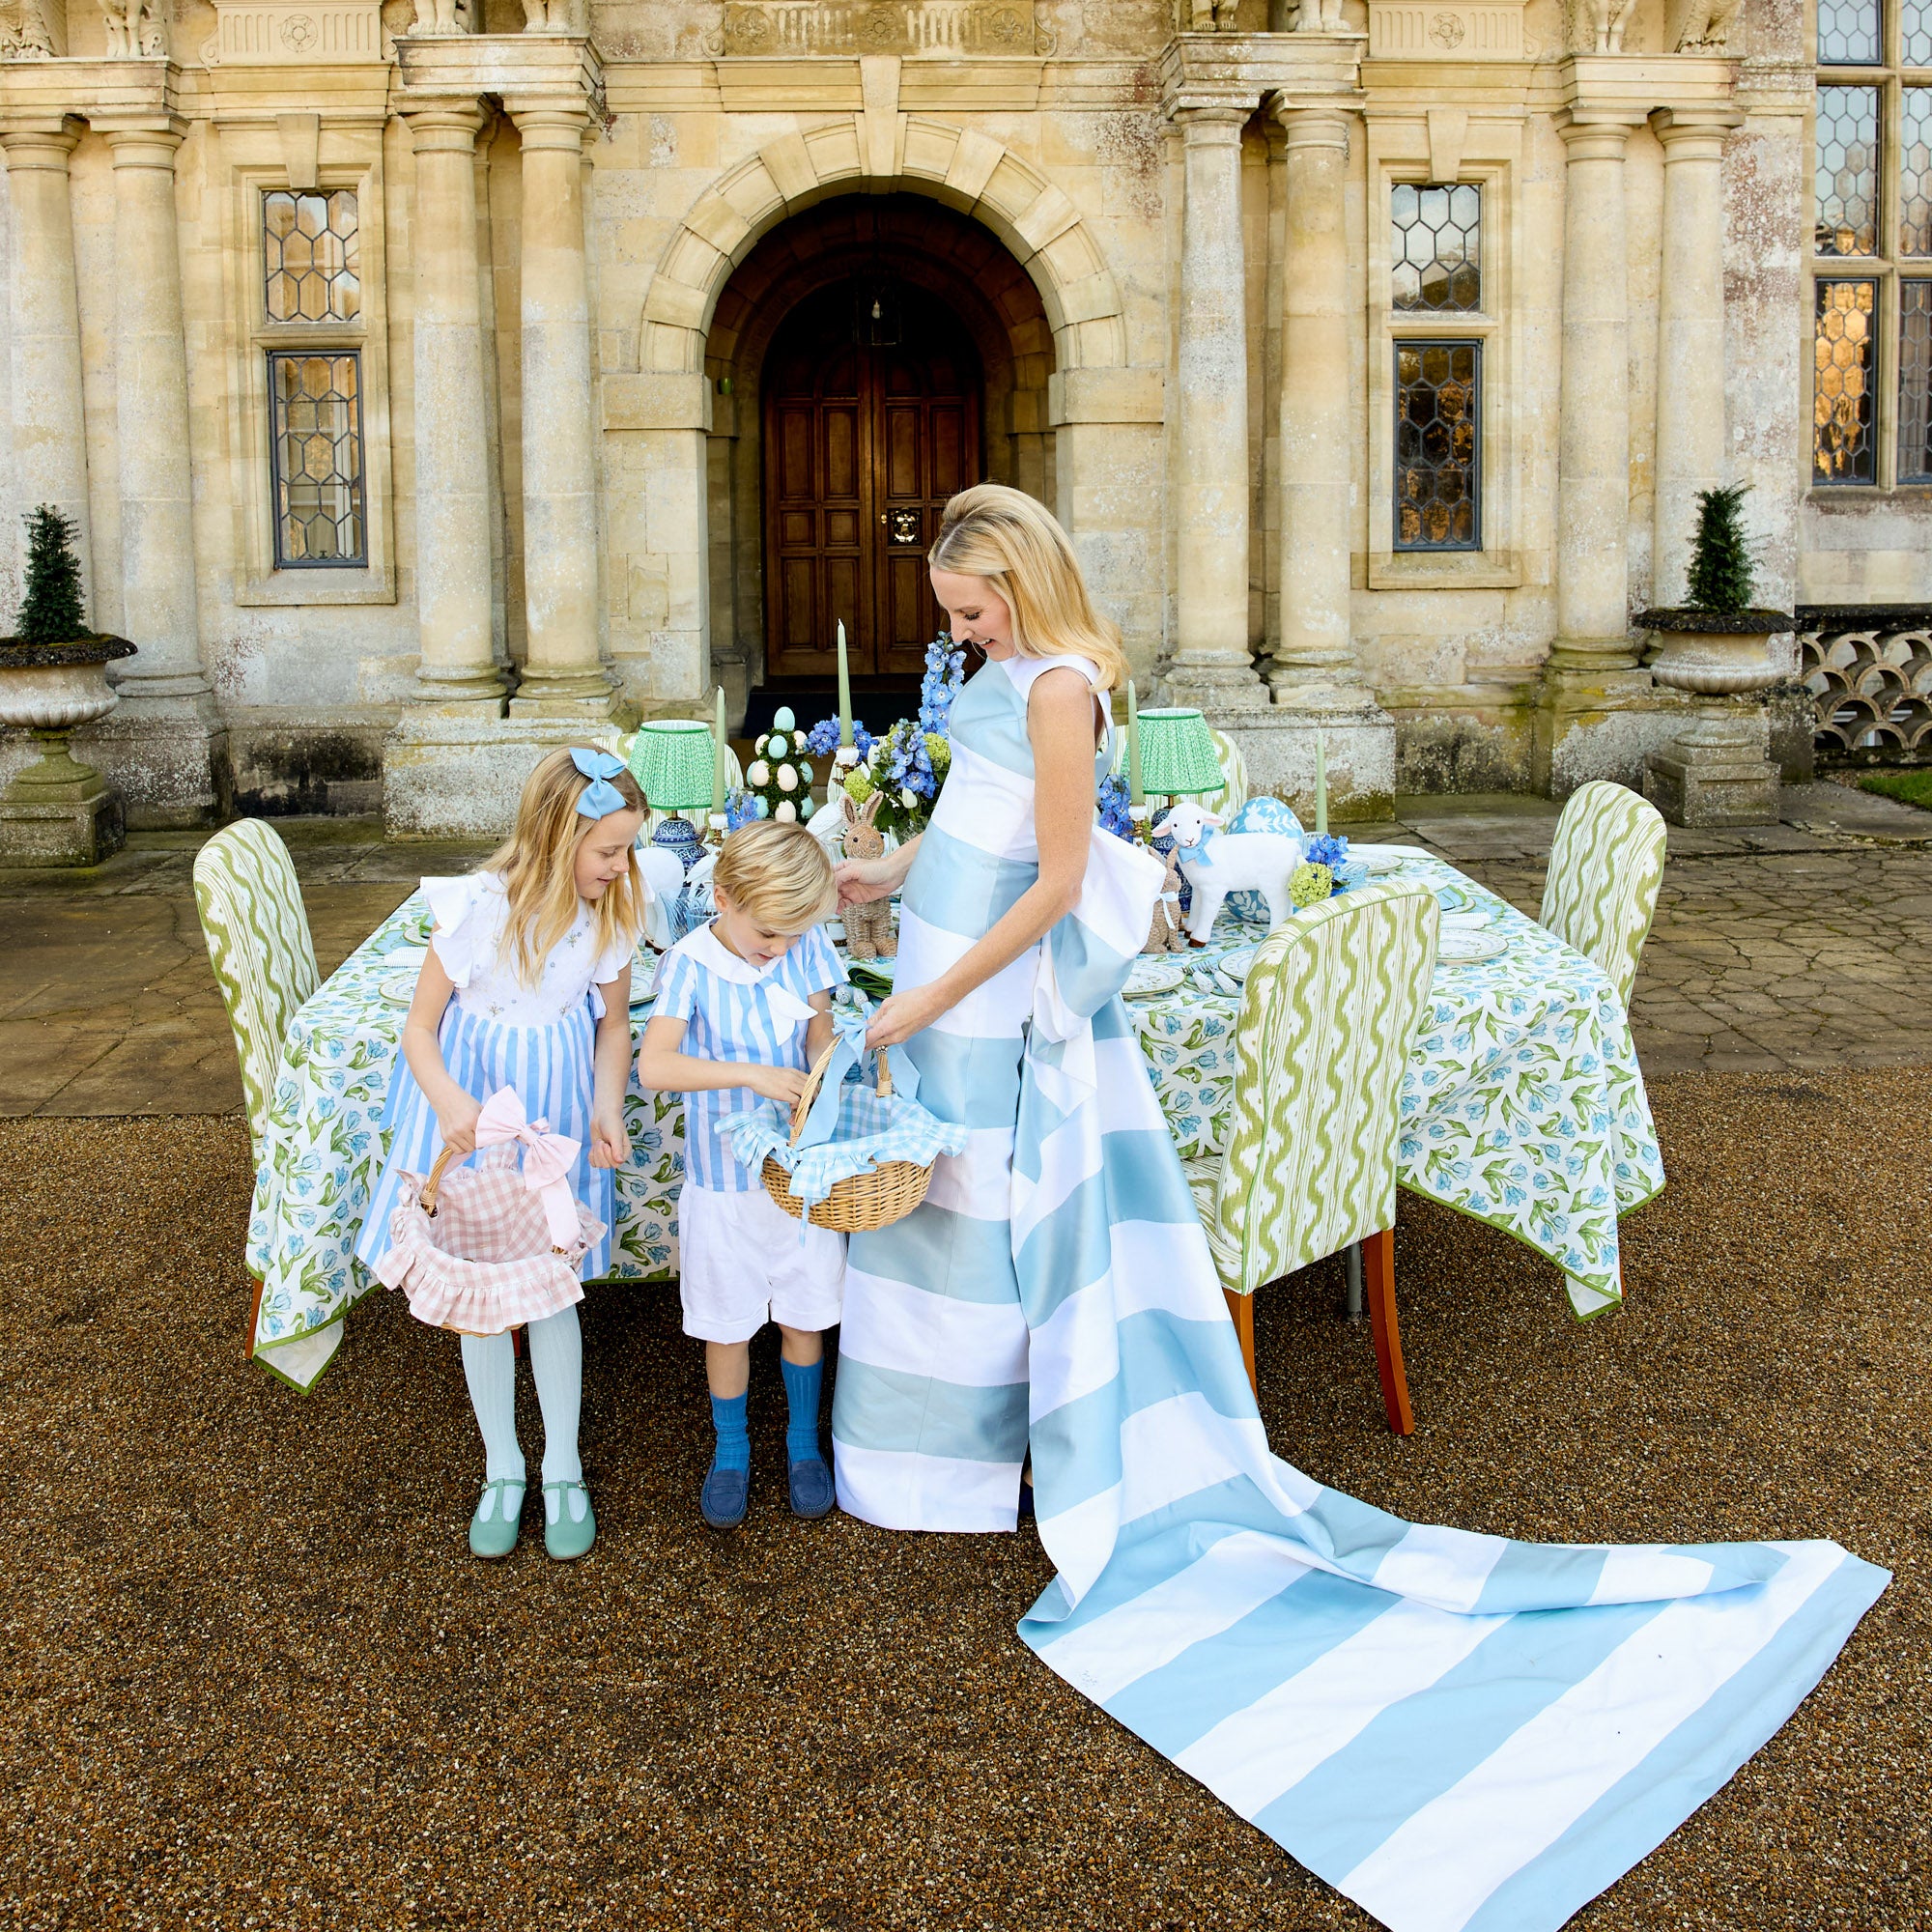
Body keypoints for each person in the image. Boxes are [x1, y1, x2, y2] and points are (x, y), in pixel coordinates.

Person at [824, 484, 1884, 1930]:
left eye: (974, 607)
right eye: (951, 614)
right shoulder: (1004, 679)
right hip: (944, 974)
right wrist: (882, 877)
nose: (960, 631)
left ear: (1026, 582)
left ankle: (1016, 1454)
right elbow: (976, 828)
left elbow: (1061, 880)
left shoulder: (1062, 687)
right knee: (945, 1228)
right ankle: (930, 1469)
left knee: (998, 1230)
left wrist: (937, 992)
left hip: (989, 997)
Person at [355, 747, 644, 1563]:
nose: (622, 865)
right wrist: (449, 1101)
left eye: (625, 848)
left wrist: (604, 1104)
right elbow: (419, 1029)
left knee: (549, 1286)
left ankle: (563, 1465)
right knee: (481, 1283)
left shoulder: (611, 911)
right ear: (557, 841)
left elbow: (612, 1024)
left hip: (550, 1116)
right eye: (608, 850)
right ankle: (503, 1465)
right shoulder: (478, 910)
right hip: (475, 1116)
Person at [636, 819, 847, 1530]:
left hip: (795, 1178)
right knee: (726, 1323)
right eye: (768, 936)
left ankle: (801, 1443)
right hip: (723, 1185)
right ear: (722, 898)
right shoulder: (690, 963)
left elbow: (818, 1029)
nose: (781, 949)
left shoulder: (802, 941)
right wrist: (751, 1074)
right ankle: (731, 1450)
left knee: (804, 1313)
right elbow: (655, 1065)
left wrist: (824, 1074)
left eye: (792, 936)